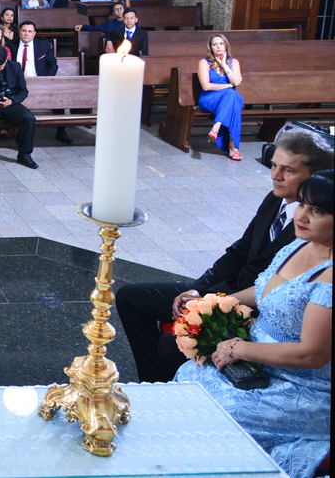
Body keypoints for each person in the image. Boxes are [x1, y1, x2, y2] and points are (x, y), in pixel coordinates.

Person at [115, 128, 332, 383]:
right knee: (131, 298)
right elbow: (240, 251)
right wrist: (198, 291)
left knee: (169, 344)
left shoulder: (314, 231)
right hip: (230, 291)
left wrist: (215, 309)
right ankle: (152, 382)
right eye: (273, 165)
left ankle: (165, 383)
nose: (275, 176)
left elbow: (288, 312)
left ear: (316, 177)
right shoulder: (276, 200)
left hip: (259, 314)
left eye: (289, 171)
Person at [172, 171, 330, 478]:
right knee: (189, 377)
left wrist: (239, 347)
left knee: (222, 414)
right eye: (303, 205)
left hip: (298, 384)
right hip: (248, 358)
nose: (303, 216)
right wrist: (214, 302)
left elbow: (312, 355)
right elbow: (262, 291)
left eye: (319, 211)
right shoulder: (298, 245)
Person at [16, 21, 72, 145]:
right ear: (19, 32)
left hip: (39, 82)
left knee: (58, 97)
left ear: (34, 33)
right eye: (24, 31)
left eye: (30, 31)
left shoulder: (44, 46)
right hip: (17, 85)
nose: (26, 34)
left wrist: (45, 81)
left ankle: (61, 131)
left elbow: (53, 65)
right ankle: (16, 131)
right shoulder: (11, 45)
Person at [197, 33, 244, 161]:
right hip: (210, 98)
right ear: (210, 47)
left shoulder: (234, 62)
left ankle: (216, 128)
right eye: (214, 44)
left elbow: (237, 82)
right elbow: (206, 86)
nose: (218, 46)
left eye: (221, 43)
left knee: (232, 97)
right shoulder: (204, 63)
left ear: (226, 46)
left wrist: (224, 65)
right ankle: (233, 147)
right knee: (232, 97)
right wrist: (228, 86)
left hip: (229, 99)